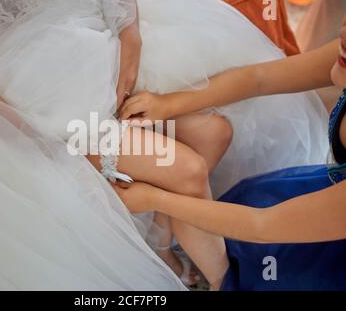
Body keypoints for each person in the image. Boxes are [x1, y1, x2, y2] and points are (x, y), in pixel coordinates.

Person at [0, 0, 328, 290]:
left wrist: (130, 36)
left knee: (217, 132)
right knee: (189, 169)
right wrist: (14, 125)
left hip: (101, 76)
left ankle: (158, 245)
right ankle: (223, 283)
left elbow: (121, 0)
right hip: (39, 102)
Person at [116, 19, 346, 290]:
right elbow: (260, 79)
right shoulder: (342, 55)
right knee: (247, 199)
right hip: (322, 194)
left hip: (325, 258)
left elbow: (263, 227)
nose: (342, 32)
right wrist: (167, 104)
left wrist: (155, 198)